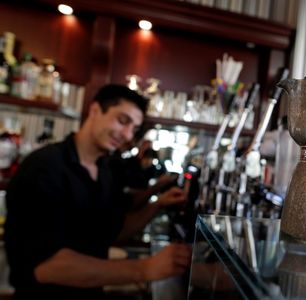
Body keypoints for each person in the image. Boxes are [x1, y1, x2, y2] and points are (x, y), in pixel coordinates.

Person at [4, 84, 192, 299]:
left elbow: (114, 231)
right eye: (122, 121)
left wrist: (158, 204)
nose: (127, 134)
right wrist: (145, 268)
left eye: (134, 128)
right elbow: (47, 266)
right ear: (95, 110)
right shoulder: (44, 167)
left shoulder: (104, 170)